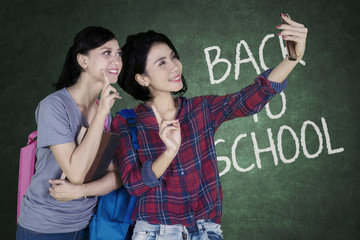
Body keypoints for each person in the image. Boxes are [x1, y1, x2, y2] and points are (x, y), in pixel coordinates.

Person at [112, 13, 307, 240]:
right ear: (142, 79)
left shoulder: (200, 109)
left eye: (173, 57)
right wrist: (169, 153)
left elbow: (248, 100)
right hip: (155, 232)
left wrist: (292, 58)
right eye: (161, 63)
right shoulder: (126, 122)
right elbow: (133, 185)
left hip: (206, 230)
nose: (174, 66)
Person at [16, 26, 123, 240]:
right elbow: (76, 172)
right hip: (44, 228)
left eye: (119, 54)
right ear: (83, 61)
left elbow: (118, 176)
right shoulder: (53, 106)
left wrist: (82, 190)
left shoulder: (105, 112)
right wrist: (102, 112)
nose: (116, 61)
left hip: (86, 227)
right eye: (106, 52)